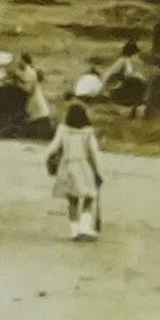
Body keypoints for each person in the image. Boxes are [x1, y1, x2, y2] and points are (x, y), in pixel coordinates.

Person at [45, 102, 103, 241]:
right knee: (89, 197)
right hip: (83, 166)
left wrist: (47, 158)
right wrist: (98, 172)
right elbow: (94, 153)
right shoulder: (88, 132)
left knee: (73, 200)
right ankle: (85, 228)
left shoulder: (63, 130)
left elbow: (53, 147)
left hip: (67, 166)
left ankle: (74, 231)